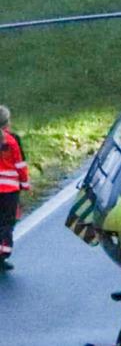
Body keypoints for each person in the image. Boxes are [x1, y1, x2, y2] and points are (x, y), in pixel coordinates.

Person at [0, 106, 30, 271]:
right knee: (6, 223)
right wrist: (25, 185)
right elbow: (20, 164)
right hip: (9, 189)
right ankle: (2, 256)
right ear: (7, 122)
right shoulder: (12, 140)